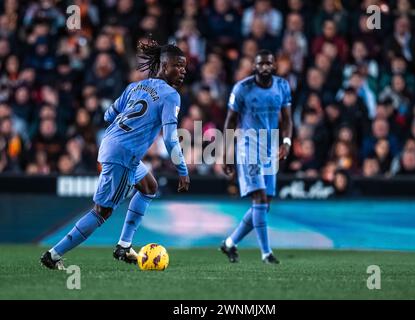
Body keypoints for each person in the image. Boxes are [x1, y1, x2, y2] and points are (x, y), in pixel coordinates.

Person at [40, 37, 190, 270]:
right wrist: (182, 169)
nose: (182, 71)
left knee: (149, 186)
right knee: (102, 212)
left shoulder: (135, 86)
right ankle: (53, 255)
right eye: (177, 65)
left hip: (111, 144)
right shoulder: (171, 95)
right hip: (124, 153)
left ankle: (124, 246)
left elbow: (108, 115)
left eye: (184, 66)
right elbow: (171, 138)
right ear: (163, 66)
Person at [220, 50, 292, 264]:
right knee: (259, 198)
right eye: (260, 64)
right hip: (248, 146)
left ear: (275, 66)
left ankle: (230, 243)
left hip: (270, 148)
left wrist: (286, 142)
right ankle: (266, 253)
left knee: (264, 204)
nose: (264, 67)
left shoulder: (282, 86)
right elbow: (230, 122)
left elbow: (287, 120)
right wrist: (226, 153)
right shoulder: (242, 88)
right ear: (254, 66)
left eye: (268, 63)